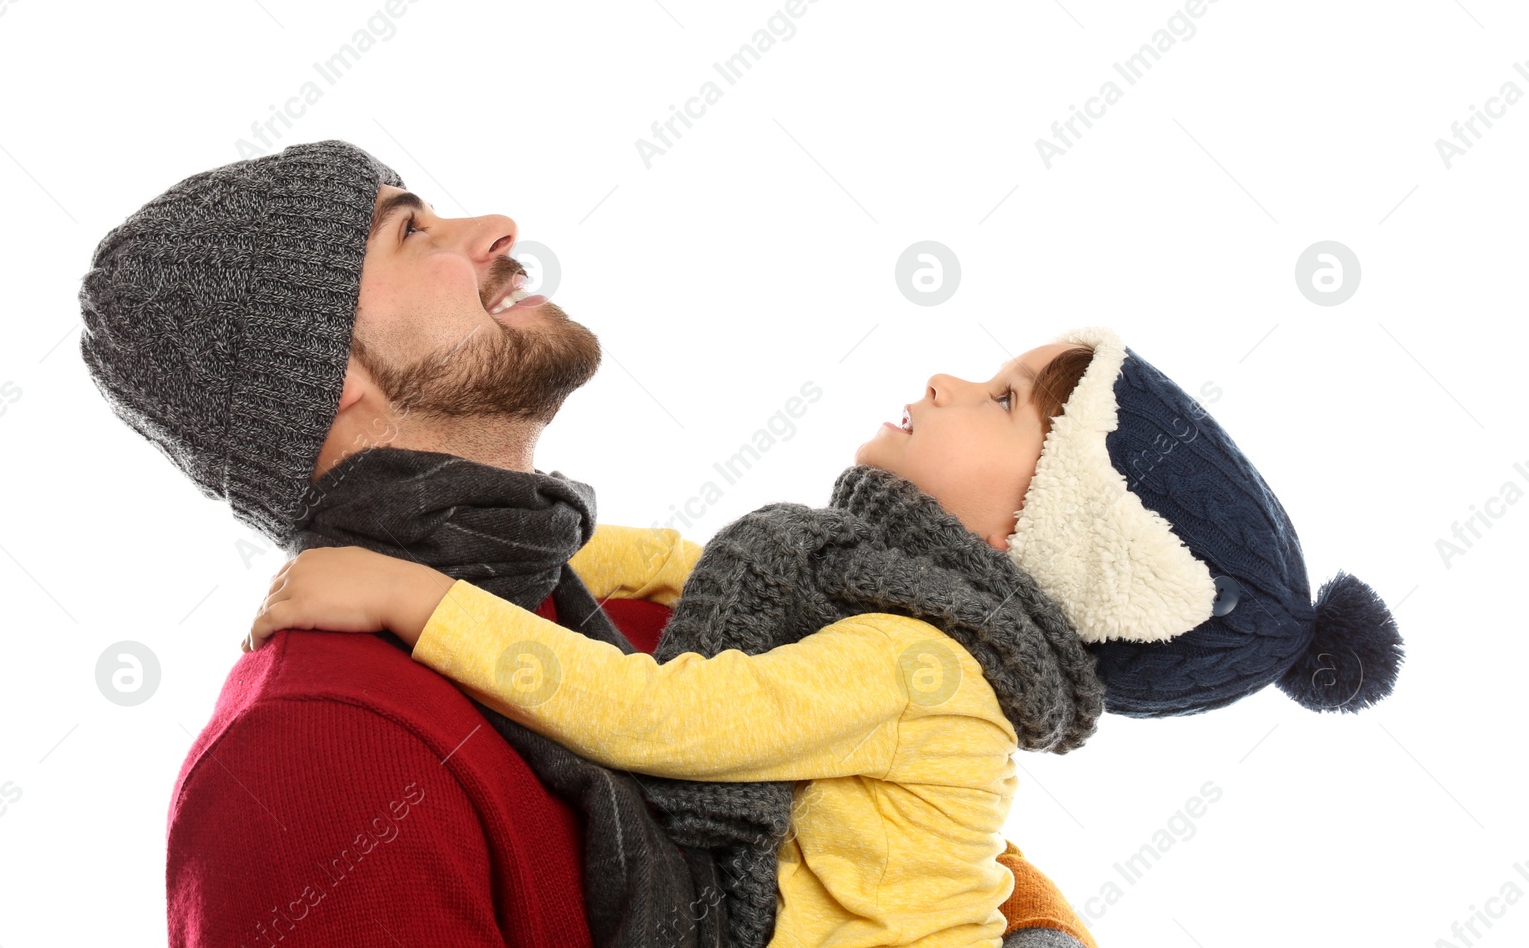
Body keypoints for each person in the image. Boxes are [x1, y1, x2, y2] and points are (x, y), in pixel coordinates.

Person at [77, 138, 1096, 948]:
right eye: (409, 233)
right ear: (322, 377)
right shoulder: (310, 760)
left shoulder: (679, 625)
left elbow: (921, 872)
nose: (495, 227)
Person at [249, 322, 1409, 946]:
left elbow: (671, 717)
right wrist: (468, 550)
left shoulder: (923, 666)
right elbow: (679, 567)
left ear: (1041, 535)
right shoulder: (862, 597)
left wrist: (418, 602)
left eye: (1002, 402)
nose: (949, 377)